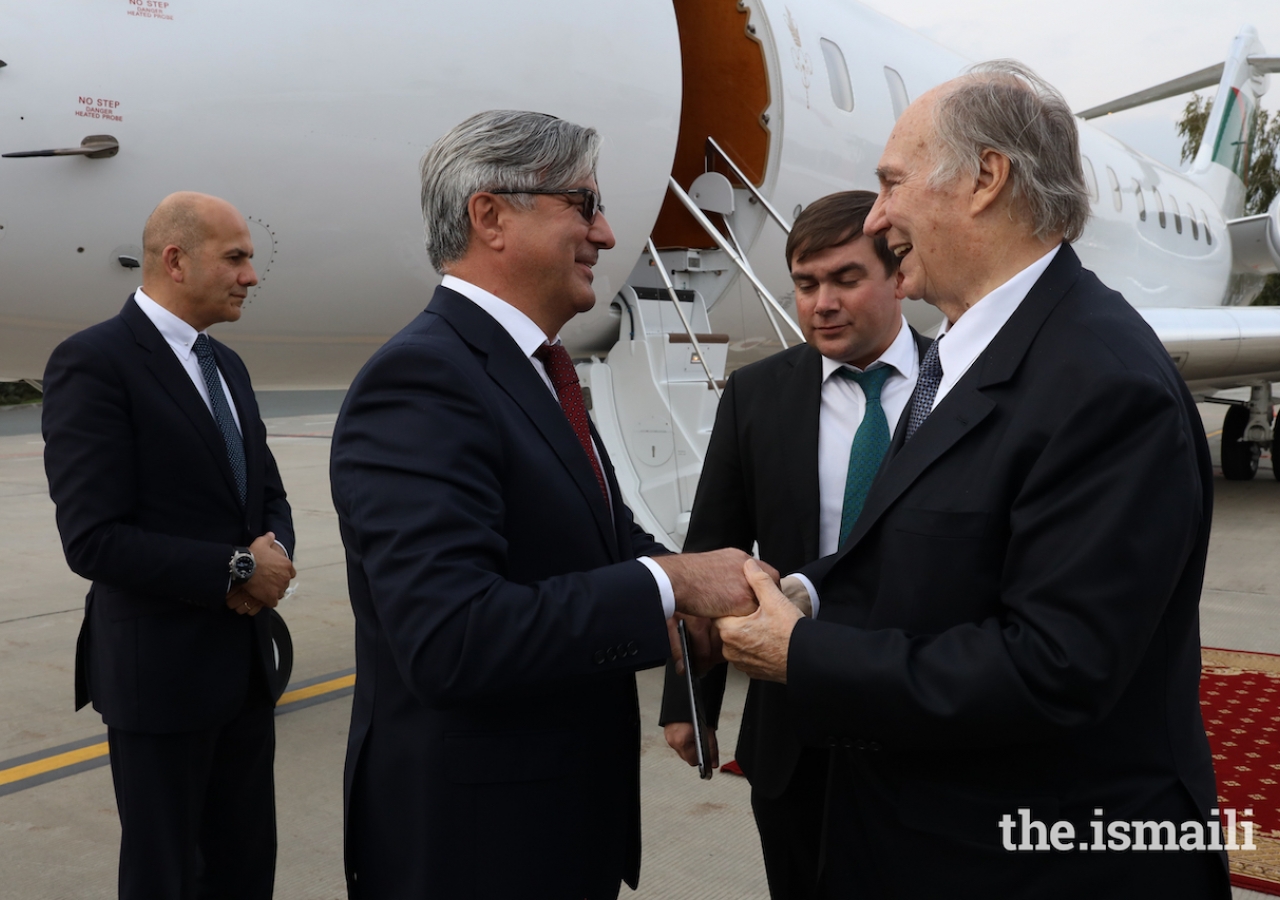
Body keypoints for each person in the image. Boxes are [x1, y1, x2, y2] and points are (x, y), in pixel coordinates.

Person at [717, 62, 1229, 899]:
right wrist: (805, 593)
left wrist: (805, 654)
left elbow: (1053, 668)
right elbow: (926, 546)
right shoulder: (972, 348)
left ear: (986, 178)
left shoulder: (1102, 380)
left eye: (891, 184)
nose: (877, 216)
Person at [329, 109, 762, 900]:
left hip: (553, 830)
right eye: (584, 204)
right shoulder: (422, 381)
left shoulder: (531, 367)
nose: (606, 233)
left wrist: (711, 590)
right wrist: (671, 586)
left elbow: (598, 536)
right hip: (474, 852)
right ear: (490, 215)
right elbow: (451, 637)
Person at [658, 190, 929, 899]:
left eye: (845, 279)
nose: (821, 304)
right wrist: (691, 697)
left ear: (898, 274)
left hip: (922, 715)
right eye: (806, 285)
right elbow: (710, 552)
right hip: (793, 729)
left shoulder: (959, 385)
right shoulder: (756, 396)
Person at [42, 191, 297, 899]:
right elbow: (92, 538)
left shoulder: (228, 367)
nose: (251, 275)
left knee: (246, 868)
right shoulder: (94, 362)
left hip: (245, 668)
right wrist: (238, 570)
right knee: (167, 876)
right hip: (159, 677)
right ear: (177, 260)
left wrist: (272, 560)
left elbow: (265, 491)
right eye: (237, 258)